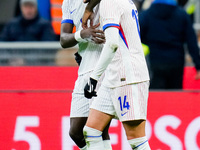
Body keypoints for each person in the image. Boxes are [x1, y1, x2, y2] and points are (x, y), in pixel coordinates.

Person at [82, 0, 151, 149]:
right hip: (114, 75)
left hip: (128, 76)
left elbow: (112, 43)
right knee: (91, 131)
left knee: (136, 140)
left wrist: (94, 78)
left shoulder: (109, 2)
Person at [60, 0, 112, 150]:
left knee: (96, 130)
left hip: (104, 67)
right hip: (84, 68)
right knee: (76, 132)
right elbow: (64, 39)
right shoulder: (69, 2)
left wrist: (89, 8)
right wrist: (82, 34)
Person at [139, 0, 200, 89]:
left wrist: (151, 42)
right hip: (176, 61)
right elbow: (191, 42)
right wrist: (198, 65)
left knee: (156, 96)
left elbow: (137, 35)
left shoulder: (146, 15)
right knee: (175, 96)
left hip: (155, 61)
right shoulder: (182, 15)